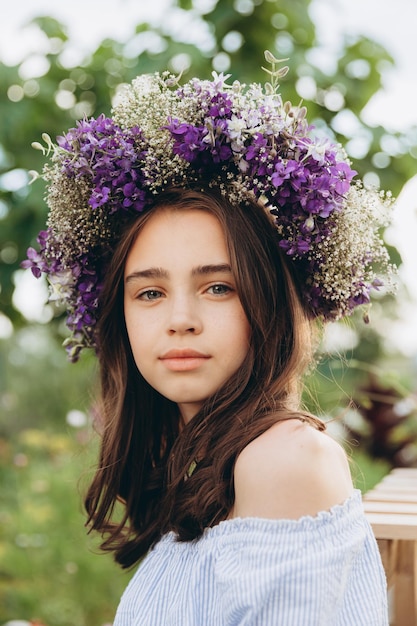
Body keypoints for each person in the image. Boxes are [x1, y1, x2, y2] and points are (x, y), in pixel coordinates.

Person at [24, 51, 395, 625]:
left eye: (218, 287)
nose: (180, 319)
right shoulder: (211, 468)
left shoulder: (285, 462)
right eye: (149, 292)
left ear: (268, 301)